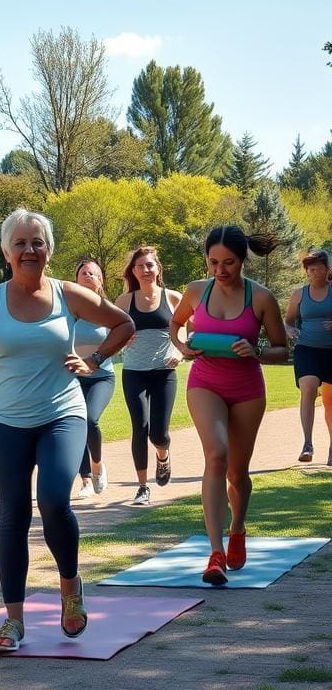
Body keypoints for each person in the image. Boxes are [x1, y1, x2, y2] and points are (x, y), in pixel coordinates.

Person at [0, 208, 134, 652]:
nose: (30, 250)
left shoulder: (69, 294)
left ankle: (70, 588)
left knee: (52, 498)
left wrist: (96, 360)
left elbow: (125, 324)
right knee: (12, 516)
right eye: (21, 243)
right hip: (6, 421)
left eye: (38, 243)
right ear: (7, 251)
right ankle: (14, 621)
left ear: (49, 250)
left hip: (62, 414)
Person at [170, 225, 287, 585]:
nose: (220, 271)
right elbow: (173, 326)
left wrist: (258, 352)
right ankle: (215, 552)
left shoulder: (262, 297)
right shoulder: (194, 291)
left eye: (229, 263)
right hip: (205, 382)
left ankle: (237, 528)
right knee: (216, 457)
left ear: (242, 260)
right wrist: (183, 346)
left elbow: (283, 351)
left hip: (247, 388)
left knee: (238, 473)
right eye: (213, 262)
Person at [114, 247, 183, 506]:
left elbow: (187, 327)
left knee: (159, 434)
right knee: (139, 428)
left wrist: (179, 349)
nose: (146, 270)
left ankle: (163, 456)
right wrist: (121, 340)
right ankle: (142, 487)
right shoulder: (124, 301)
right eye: (140, 266)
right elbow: (111, 330)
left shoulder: (173, 298)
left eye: (150, 265)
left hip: (164, 372)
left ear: (158, 269)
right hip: (134, 372)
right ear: (133, 271)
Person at [72, 259, 117, 498]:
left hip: (102, 377)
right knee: (78, 423)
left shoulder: (108, 310)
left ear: (100, 282)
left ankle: (97, 466)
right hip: (74, 378)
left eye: (93, 273)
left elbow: (124, 333)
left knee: (90, 419)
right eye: (83, 273)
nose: (88, 275)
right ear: (76, 280)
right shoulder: (68, 310)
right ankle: (86, 479)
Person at [284, 249, 332, 465]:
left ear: (326, 269)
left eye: (315, 268)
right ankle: (308, 443)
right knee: (309, 388)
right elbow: (289, 320)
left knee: (330, 402)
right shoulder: (299, 294)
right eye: (308, 269)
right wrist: (290, 330)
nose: (310, 272)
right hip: (307, 349)